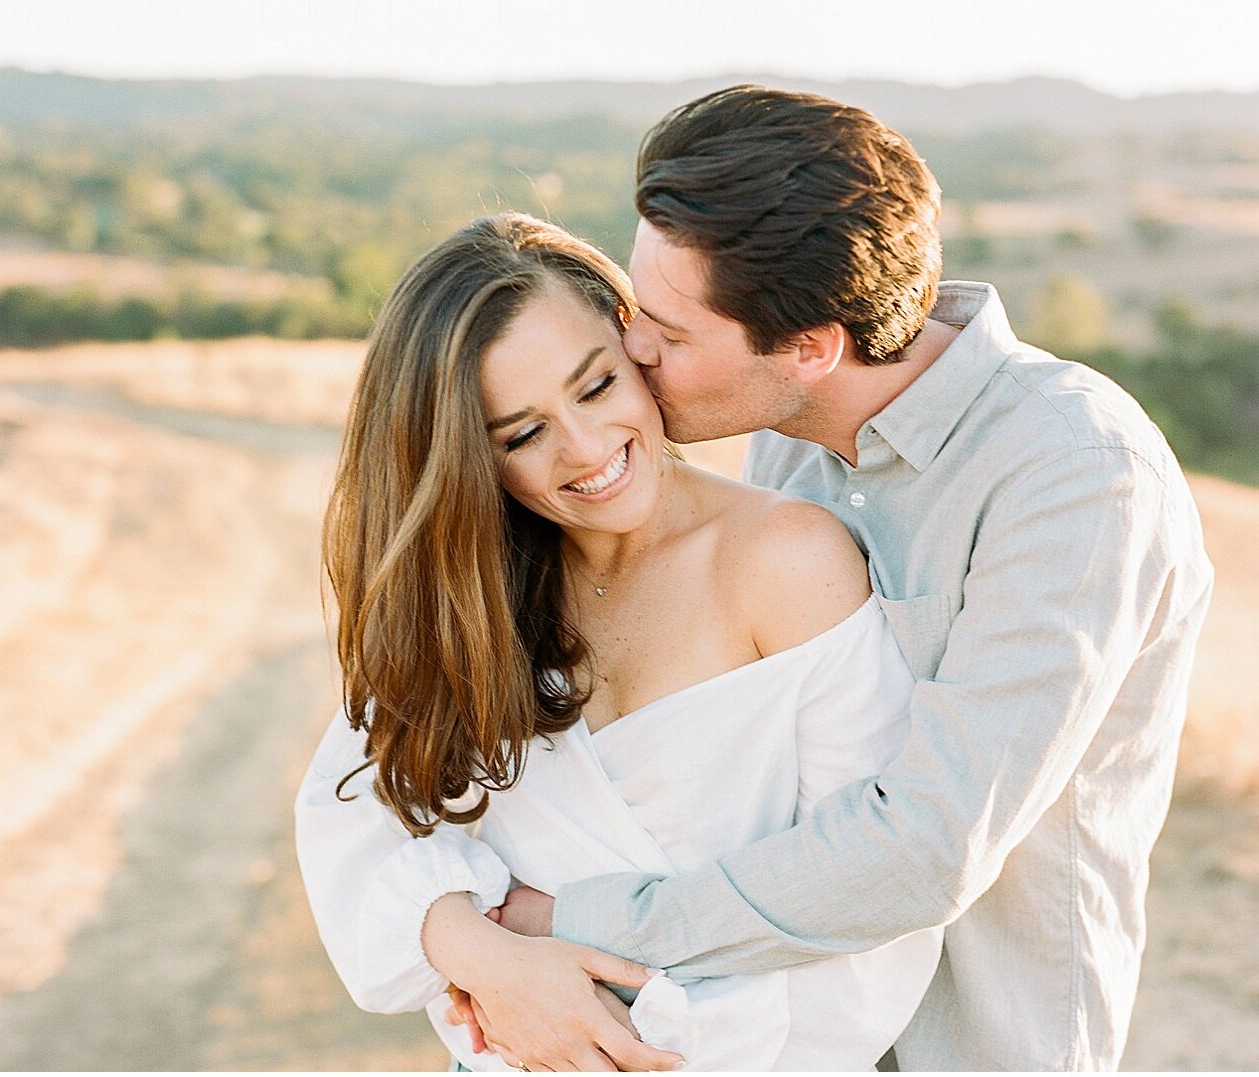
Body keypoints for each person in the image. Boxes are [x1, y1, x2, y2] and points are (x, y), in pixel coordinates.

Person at [300, 85, 1214, 1070]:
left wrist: (551, 928)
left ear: (813, 348)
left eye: (668, 331)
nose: (634, 348)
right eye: (633, 309)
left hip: (977, 1035)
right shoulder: (786, 440)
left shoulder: (1073, 474)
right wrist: (485, 953)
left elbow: (921, 845)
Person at [298, 211, 943, 1072]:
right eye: (522, 434)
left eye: (597, 386)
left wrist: (614, 1032)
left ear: (635, 341)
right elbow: (357, 824)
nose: (588, 449)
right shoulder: (469, 597)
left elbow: (862, 902)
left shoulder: (787, 561)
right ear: (467, 460)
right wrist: (485, 957)